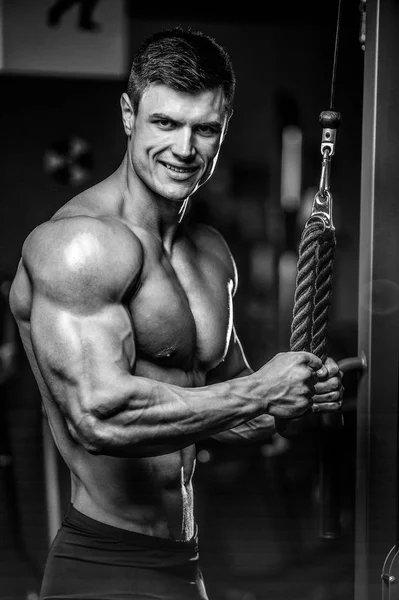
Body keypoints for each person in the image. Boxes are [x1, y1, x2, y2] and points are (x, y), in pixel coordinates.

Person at [9, 26, 343, 600]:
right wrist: (262, 392)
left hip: (186, 563)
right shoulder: (80, 245)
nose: (185, 150)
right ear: (128, 114)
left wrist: (296, 394)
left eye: (205, 129)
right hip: (103, 564)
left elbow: (227, 404)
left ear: (224, 128)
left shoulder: (210, 254)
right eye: (165, 123)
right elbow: (100, 419)